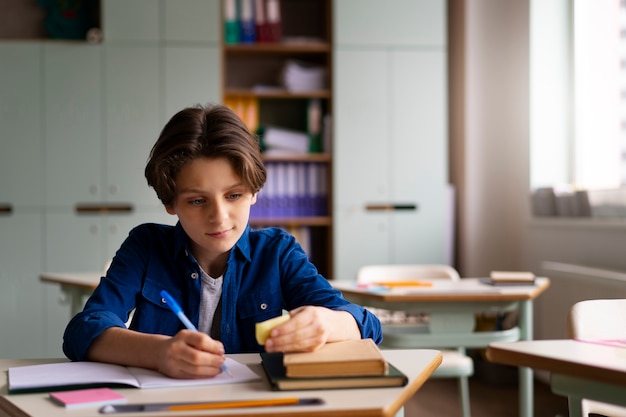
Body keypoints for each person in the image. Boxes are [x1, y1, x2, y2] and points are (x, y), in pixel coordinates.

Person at [62, 103, 382, 379]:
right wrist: (159, 352)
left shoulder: (277, 252)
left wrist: (327, 323)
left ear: (254, 192)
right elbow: (83, 331)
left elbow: (369, 327)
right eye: (197, 201)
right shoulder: (146, 247)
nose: (219, 216)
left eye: (234, 195)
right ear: (170, 202)